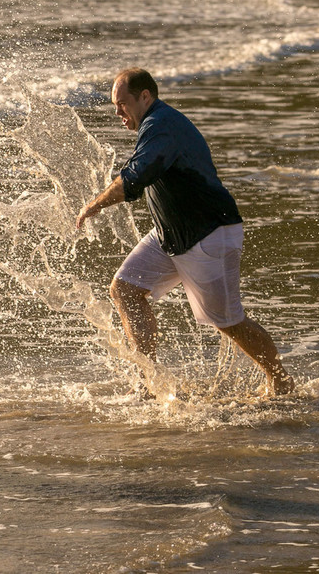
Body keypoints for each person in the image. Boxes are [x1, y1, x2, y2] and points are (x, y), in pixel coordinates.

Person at [75, 69, 293, 397]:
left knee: (229, 322)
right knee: (125, 289)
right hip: (170, 234)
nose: (117, 112)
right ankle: (149, 382)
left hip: (209, 233)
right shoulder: (155, 124)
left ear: (145, 96)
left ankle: (280, 380)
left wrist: (94, 204)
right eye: (114, 105)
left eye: (122, 104)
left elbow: (136, 176)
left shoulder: (161, 125)